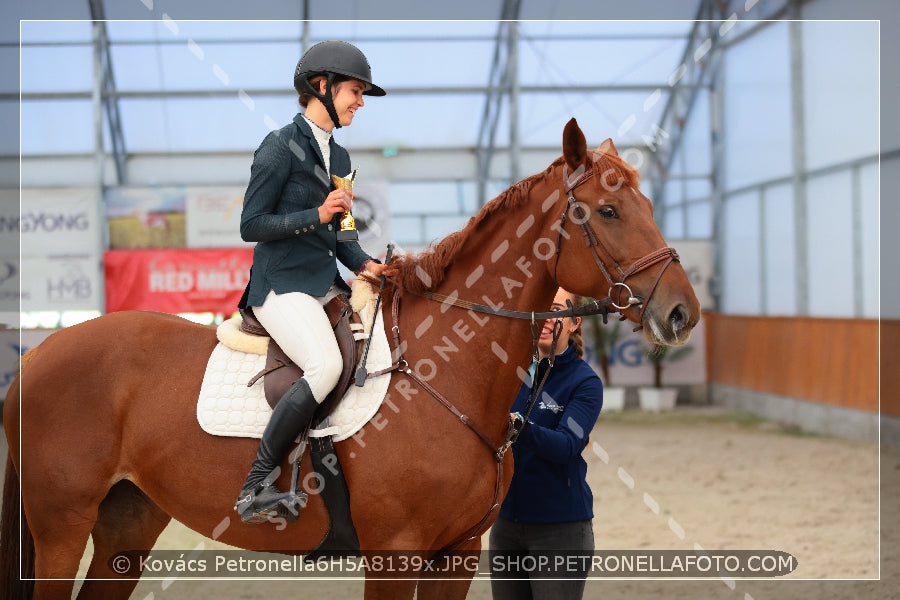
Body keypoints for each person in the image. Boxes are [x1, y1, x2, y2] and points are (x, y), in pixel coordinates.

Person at [234, 40, 393, 524]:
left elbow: (344, 238)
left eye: (363, 93)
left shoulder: (341, 159)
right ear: (321, 86)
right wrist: (314, 213)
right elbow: (251, 224)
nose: (360, 102)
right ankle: (256, 483)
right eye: (354, 91)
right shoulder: (279, 146)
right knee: (324, 365)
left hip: (326, 285)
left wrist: (368, 264)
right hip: (280, 285)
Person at [489, 288, 604, 600]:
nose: (546, 317)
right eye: (540, 308)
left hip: (560, 529)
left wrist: (518, 428)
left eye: (555, 309)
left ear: (574, 321)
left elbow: (567, 446)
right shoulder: (508, 372)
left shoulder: (585, 383)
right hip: (505, 526)